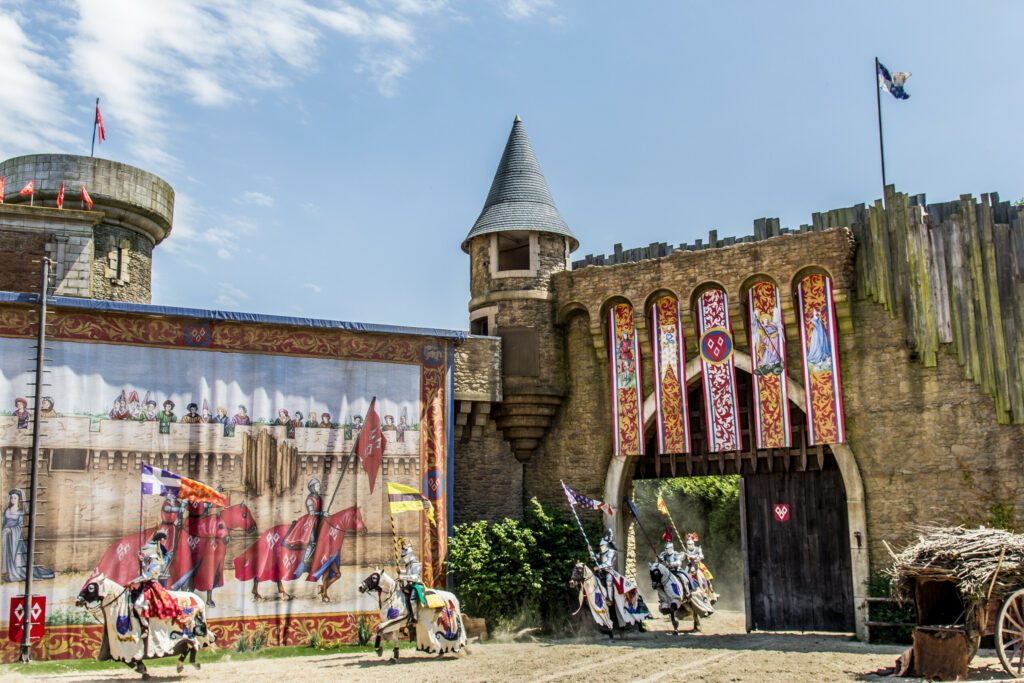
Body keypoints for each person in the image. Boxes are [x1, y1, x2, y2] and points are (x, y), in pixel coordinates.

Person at [2, 489, 54, 582]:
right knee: (9, 556)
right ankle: (11, 572)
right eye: (11, 498)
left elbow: (20, 526)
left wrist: (11, 530)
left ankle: (17, 574)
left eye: (15, 498)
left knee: (18, 558)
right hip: (7, 538)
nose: (13, 499)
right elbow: (3, 523)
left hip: (16, 539)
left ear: (18, 499)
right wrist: (4, 530)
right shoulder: (6, 511)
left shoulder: (19, 512)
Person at [397, 538, 423, 624]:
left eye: (404, 557)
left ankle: (415, 618)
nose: (403, 559)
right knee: (402, 594)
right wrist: (400, 571)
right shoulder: (408, 565)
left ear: (409, 555)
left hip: (417, 585)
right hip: (410, 585)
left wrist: (403, 577)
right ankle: (408, 613)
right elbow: (407, 573)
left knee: (412, 599)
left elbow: (414, 577)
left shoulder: (416, 564)